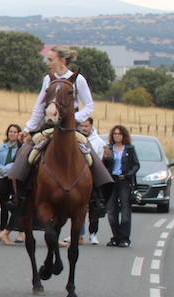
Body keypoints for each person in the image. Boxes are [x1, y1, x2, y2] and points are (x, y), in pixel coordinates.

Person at [7, 46, 113, 213]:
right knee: (27, 151)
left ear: (62, 60)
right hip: (48, 125)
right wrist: (29, 128)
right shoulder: (47, 79)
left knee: (89, 153)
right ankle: (19, 194)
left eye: (51, 59)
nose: (48, 63)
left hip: (71, 126)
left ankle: (96, 197)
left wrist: (73, 119)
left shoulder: (78, 80)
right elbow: (39, 105)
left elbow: (89, 106)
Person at [102, 125, 140, 248]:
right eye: (114, 134)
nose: (116, 136)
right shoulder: (109, 148)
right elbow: (104, 166)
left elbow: (136, 165)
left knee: (125, 210)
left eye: (119, 134)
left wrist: (127, 175)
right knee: (111, 211)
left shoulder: (129, 149)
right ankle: (115, 237)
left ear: (124, 135)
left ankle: (124, 238)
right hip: (111, 181)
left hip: (124, 181)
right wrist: (106, 157)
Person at [78, 120, 107, 244]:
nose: (84, 128)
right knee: (78, 208)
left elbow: (99, 161)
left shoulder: (99, 142)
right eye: (82, 126)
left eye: (86, 126)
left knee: (94, 207)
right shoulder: (76, 138)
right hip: (78, 179)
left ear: (91, 126)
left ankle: (93, 234)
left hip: (93, 178)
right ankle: (78, 234)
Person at [0, 124, 22, 244]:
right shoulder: (2, 146)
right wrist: (1, 169)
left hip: (15, 179)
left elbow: (17, 162)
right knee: (3, 205)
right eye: (10, 131)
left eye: (15, 132)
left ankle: (21, 232)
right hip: (3, 178)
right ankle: (2, 230)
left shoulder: (21, 148)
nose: (12, 134)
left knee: (17, 206)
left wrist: (6, 168)